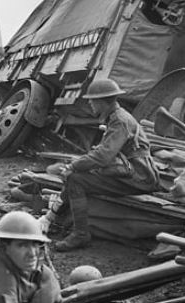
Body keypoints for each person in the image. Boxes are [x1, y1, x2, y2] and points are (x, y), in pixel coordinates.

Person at [50, 78, 161, 251]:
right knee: (77, 176)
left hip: (139, 177)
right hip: (132, 173)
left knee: (75, 179)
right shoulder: (116, 118)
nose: (90, 104)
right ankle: (53, 218)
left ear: (102, 101)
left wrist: (73, 166)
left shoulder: (120, 121)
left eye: (92, 100)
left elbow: (103, 156)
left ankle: (80, 235)